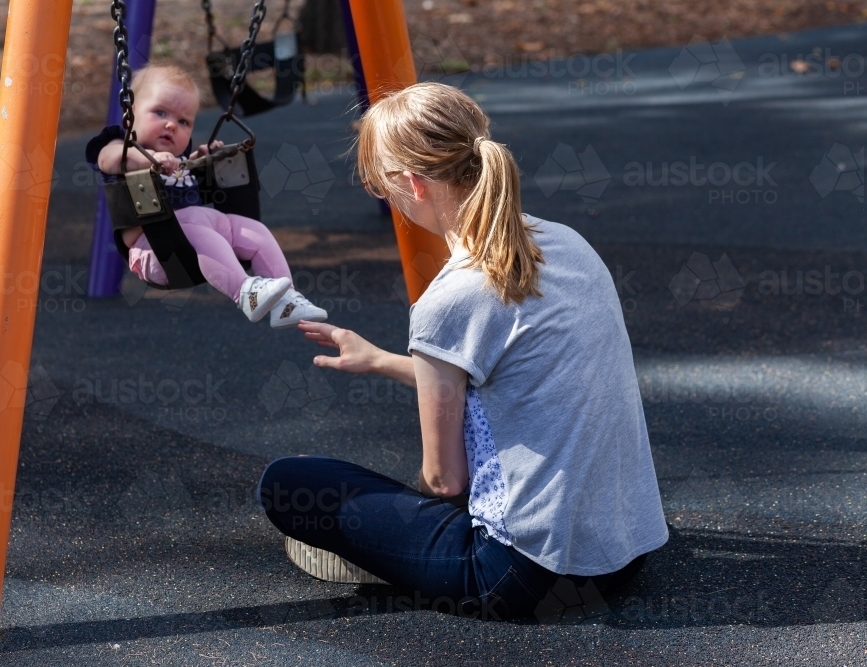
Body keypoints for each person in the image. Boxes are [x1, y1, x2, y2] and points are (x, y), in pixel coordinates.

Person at [257, 82, 668, 620]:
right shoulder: (568, 244)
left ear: (413, 184)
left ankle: (398, 556)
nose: (388, 200)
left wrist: (391, 519)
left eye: (383, 186)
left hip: (521, 576)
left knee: (289, 483)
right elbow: (512, 380)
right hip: (623, 551)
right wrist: (380, 359)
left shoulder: (449, 300)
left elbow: (445, 481)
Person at [86, 64, 327, 328]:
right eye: (160, 112)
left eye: (183, 121)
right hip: (157, 252)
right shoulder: (121, 148)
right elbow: (108, 160)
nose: (171, 125)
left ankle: (287, 300)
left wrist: (200, 161)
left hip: (193, 243)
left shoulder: (176, 162)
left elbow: (183, 181)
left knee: (253, 230)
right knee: (196, 224)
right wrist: (150, 159)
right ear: (129, 114)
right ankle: (245, 292)